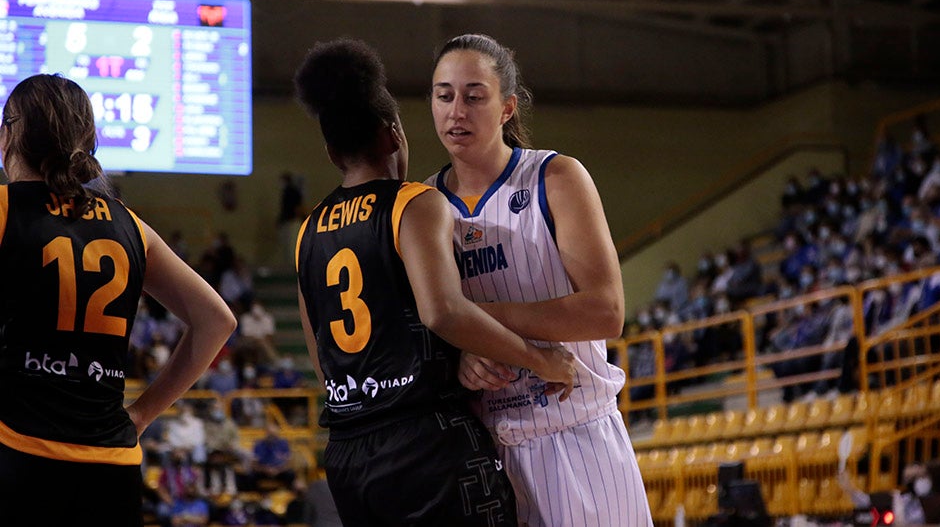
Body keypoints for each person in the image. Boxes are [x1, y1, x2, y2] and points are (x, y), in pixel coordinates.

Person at [292, 38, 577, 526]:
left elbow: (323, 357)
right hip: (423, 441)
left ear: (330, 151)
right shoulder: (414, 201)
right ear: (394, 134)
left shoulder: (307, 232)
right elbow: (443, 311)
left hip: (347, 448)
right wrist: (538, 358)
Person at [426, 33, 652, 526]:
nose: (456, 111)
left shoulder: (557, 177)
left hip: (577, 437)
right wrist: (462, 353)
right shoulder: (422, 205)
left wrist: (475, 323)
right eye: (444, 96)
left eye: (474, 96)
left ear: (506, 108)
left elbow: (607, 311)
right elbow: (427, 330)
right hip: (484, 455)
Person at [0, 73, 237, 525]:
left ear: (9, 134)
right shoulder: (129, 224)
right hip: (112, 467)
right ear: (88, 140)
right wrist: (143, 412)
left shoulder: (6, 208)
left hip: (20, 453)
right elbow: (216, 319)